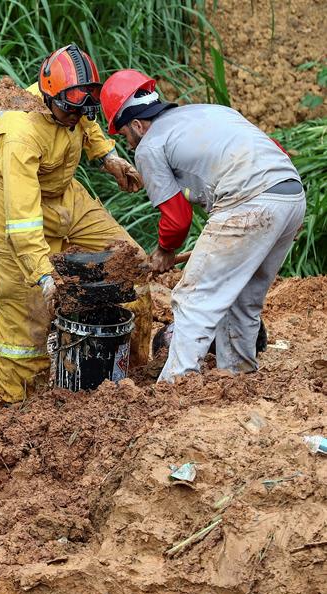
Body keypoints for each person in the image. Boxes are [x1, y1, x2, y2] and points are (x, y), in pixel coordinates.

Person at [100, 69, 306, 382]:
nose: (128, 143)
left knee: (192, 299)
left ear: (138, 125)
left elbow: (177, 218)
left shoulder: (150, 145)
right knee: (242, 300)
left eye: (125, 135)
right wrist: (281, 217)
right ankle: (238, 379)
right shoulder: (209, 112)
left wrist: (165, 251)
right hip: (290, 195)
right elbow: (275, 149)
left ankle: (177, 386)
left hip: (247, 202)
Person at [0, 44, 153, 405]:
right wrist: (44, 276)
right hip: (15, 211)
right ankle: (16, 406)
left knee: (131, 263)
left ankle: (132, 372)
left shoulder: (73, 102)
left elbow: (85, 121)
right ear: (47, 96)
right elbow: (23, 222)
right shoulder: (19, 134)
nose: (76, 117)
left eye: (83, 108)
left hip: (64, 195)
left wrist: (107, 157)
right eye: (69, 110)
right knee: (26, 317)